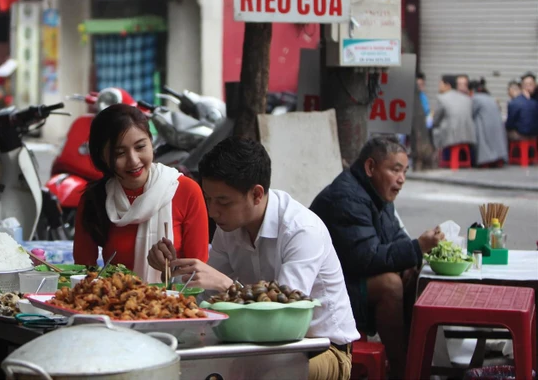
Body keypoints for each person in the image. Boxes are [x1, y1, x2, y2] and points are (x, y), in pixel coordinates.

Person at [148, 137, 359, 380]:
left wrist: (227, 286)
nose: (213, 211)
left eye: (223, 201)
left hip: (320, 348)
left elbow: (284, 316)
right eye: (208, 199)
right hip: (257, 345)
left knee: (266, 375)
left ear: (257, 194)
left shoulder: (301, 229)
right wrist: (173, 273)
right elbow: (206, 301)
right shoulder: (228, 228)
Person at [310, 137, 444, 380]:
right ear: (370, 168)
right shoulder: (347, 198)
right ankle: (402, 369)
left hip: (351, 278)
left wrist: (415, 252)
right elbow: (365, 258)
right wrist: (417, 247)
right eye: (395, 170)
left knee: (414, 274)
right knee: (389, 284)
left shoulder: (378, 194)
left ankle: (415, 362)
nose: (401, 179)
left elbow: (396, 238)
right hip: (324, 289)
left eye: (404, 171)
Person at [73, 104, 209, 282]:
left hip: (177, 304)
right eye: (120, 153)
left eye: (140, 147)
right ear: (102, 157)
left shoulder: (185, 191)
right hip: (113, 305)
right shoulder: (95, 199)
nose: (133, 161)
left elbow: (198, 274)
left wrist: (169, 270)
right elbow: (84, 272)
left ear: (151, 143)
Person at [432, 75, 476, 155]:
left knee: (434, 130)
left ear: (447, 86)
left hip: (451, 136)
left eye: (440, 84)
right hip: (468, 135)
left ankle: (435, 157)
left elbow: (436, 119)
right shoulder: (467, 98)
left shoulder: (442, 98)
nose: (439, 86)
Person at [469, 79, 508, 167]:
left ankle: (485, 161)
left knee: (483, 141)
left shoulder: (475, 99)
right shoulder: (490, 98)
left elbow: (471, 113)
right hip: (498, 126)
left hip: (485, 126)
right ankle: (499, 160)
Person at [506, 74, 538, 141]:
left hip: (523, 136)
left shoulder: (515, 102)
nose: (528, 87)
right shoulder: (533, 101)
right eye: (526, 85)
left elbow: (510, 124)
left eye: (531, 84)